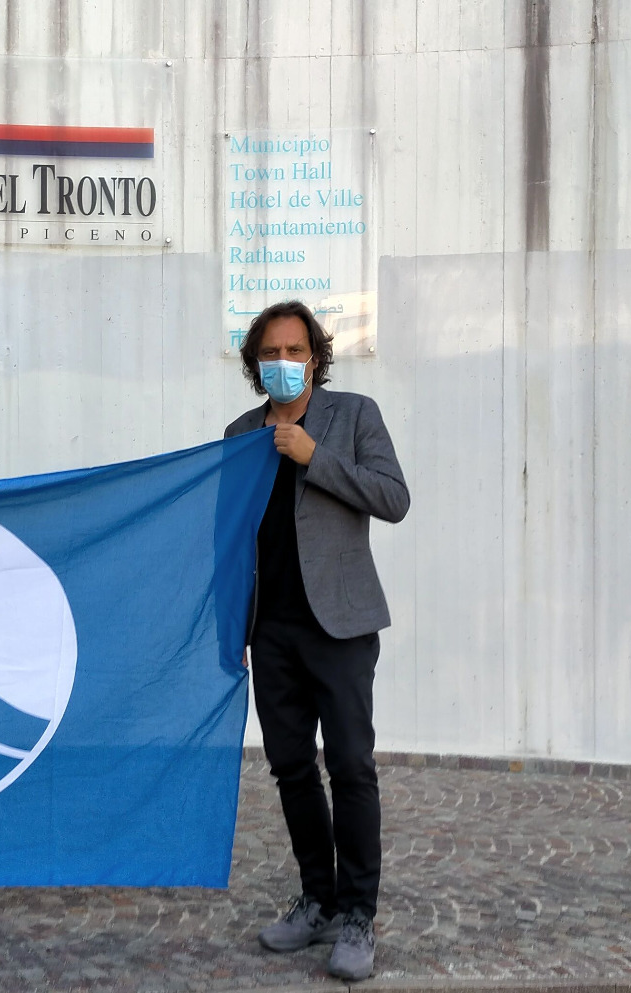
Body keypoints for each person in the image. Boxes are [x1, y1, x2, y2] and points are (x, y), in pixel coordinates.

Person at [223, 300, 409, 982]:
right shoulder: (240, 431)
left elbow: (393, 497)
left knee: (353, 766)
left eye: (295, 351)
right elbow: (229, 537)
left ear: (316, 357)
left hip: (342, 625)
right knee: (291, 767)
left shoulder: (353, 416)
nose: (283, 363)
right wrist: (231, 626)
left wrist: (315, 457)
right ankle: (319, 899)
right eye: (270, 352)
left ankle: (358, 913)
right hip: (270, 631)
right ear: (255, 363)